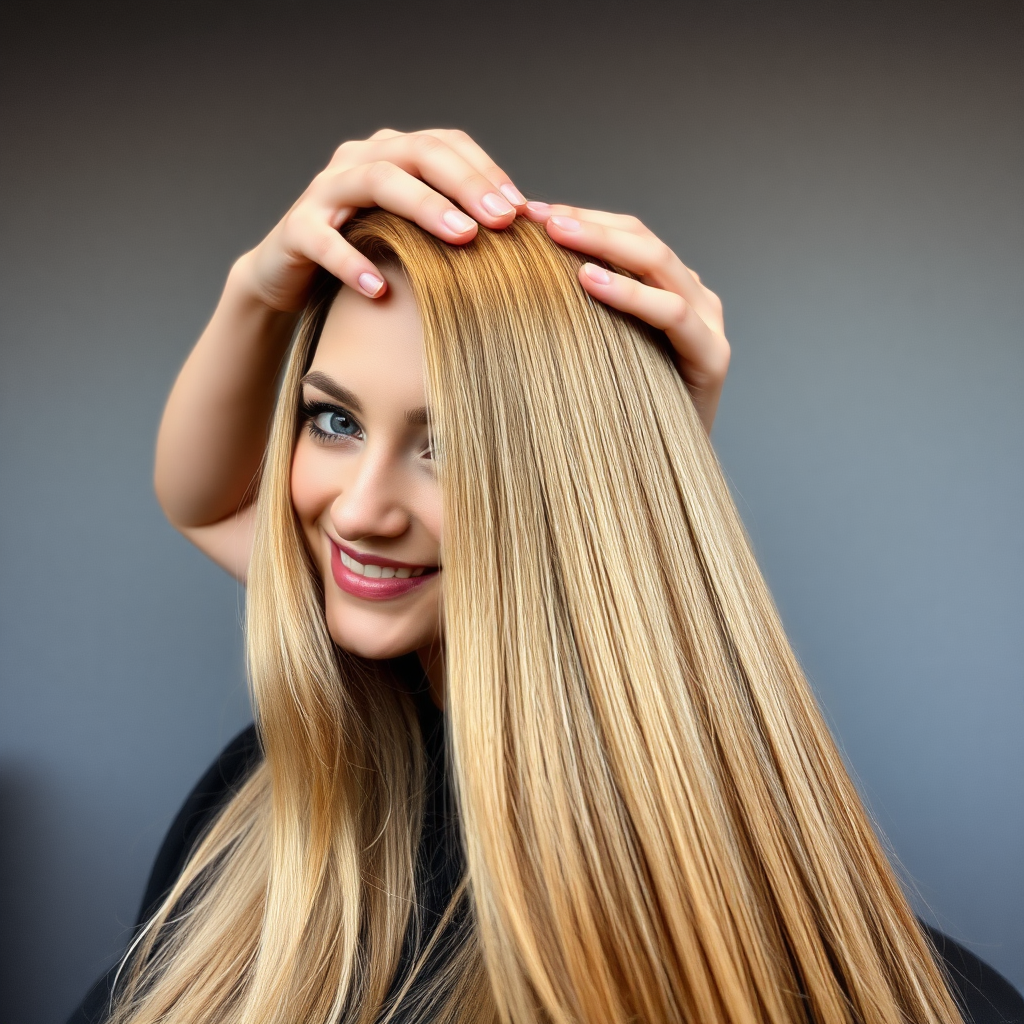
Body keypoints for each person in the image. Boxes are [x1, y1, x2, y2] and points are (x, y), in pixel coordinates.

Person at [69, 129, 1022, 1024]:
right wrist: (258, 284)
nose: (359, 510)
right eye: (336, 421)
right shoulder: (277, 796)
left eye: (448, 448)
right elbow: (203, 500)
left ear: (569, 499)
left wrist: (640, 448)